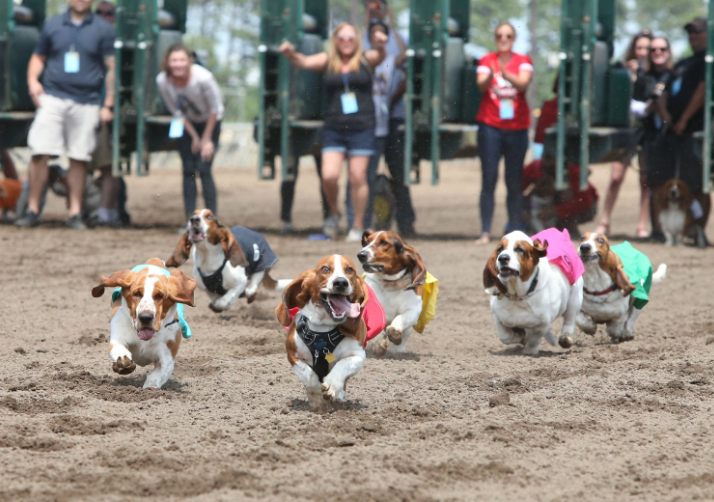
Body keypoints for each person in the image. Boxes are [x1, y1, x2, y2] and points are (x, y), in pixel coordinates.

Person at [280, 23, 386, 241]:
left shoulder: (366, 59)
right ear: (335, 40)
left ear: (356, 40)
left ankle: (357, 226)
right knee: (329, 176)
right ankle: (334, 215)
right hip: (334, 127)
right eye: (342, 37)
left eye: (350, 36)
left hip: (363, 127)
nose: (346, 40)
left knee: (358, 177)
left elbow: (380, 54)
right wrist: (290, 54)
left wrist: (380, 43)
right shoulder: (327, 60)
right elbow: (303, 61)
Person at [15, 0, 115, 229]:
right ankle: (32, 209)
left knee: (79, 157)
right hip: (53, 97)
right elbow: (38, 57)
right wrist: (32, 82)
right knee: (40, 151)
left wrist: (107, 103)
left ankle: (75, 213)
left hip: (87, 101)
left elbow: (111, 67)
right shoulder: (52, 24)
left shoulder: (103, 28)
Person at [652, 17, 711, 242]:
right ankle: (662, 231)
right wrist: (666, 115)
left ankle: (698, 233)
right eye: (690, 32)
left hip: (693, 131)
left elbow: (703, 89)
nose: (693, 36)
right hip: (671, 132)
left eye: (698, 31)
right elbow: (664, 90)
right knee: (662, 183)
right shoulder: (683, 63)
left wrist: (684, 119)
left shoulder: (707, 61)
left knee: (696, 186)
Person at [346, 17, 407, 232]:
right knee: (359, 176)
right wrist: (364, 26)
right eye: (374, 34)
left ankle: (372, 222)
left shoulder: (390, 58)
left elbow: (403, 59)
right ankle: (355, 222)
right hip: (363, 126)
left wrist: (390, 22)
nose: (378, 37)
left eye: (383, 34)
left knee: (372, 177)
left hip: (382, 127)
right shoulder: (359, 59)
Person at [475, 22, 533, 244]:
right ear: (495, 38)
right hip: (490, 126)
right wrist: (492, 75)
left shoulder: (523, 61)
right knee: (488, 179)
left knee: (514, 180)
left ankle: (515, 229)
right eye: (500, 35)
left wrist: (504, 73)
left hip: (517, 129)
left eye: (508, 35)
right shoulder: (486, 60)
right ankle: (485, 231)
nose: (503, 39)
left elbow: (523, 84)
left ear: (514, 38)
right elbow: (481, 86)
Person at [156, 44, 224, 219]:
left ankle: (211, 219)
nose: (178, 64)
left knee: (204, 168)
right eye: (174, 60)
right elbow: (176, 111)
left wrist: (206, 139)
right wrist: (194, 137)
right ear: (167, 62)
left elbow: (214, 110)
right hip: (187, 124)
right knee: (188, 169)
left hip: (210, 122)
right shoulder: (163, 81)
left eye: (181, 60)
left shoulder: (203, 78)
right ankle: (190, 219)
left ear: (190, 61)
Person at [595, 31, 652, 237]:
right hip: (626, 130)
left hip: (646, 130)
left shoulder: (654, 72)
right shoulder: (622, 69)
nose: (643, 52)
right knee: (616, 177)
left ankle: (642, 225)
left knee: (645, 180)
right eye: (639, 47)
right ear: (633, 49)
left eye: (647, 48)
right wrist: (631, 76)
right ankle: (605, 220)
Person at [634, 36, 673, 241]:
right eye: (654, 49)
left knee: (674, 182)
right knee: (653, 182)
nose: (658, 52)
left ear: (668, 51)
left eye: (662, 48)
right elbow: (632, 103)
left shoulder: (675, 74)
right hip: (650, 136)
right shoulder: (643, 76)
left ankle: (677, 228)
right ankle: (657, 228)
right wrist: (648, 108)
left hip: (674, 134)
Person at [522, 154, 598, 237]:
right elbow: (517, 191)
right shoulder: (536, 167)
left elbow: (585, 202)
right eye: (547, 158)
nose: (550, 162)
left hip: (584, 208)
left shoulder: (573, 170)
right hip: (541, 205)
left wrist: (554, 211)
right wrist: (522, 210)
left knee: (566, 194)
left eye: (553, 158)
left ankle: (569, 226)